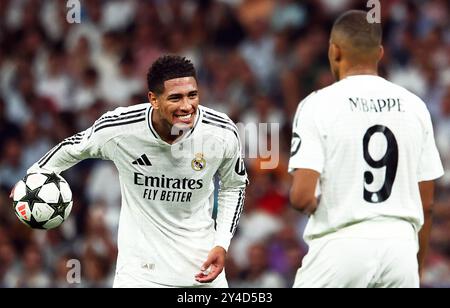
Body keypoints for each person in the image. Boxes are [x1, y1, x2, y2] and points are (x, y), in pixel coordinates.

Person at [13, 55, 248, 288]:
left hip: (202, 270)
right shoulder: (121, 128)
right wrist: (32, 179)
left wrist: (222, 243)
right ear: (153, 100)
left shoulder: (221, 131)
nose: (187, 106)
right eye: (175, 98)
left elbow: (234, 184)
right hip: (139, 275)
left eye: (192, 95)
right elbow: (72, 149)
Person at [288, 10, 443, 288]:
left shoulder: (317, 104)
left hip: (341, 246)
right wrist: (415, 267)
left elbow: (301, 196)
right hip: (401, 250)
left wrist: (314, 202)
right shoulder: (415, 106)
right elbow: (427, 204)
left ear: (334, 51)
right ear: (380, 52)